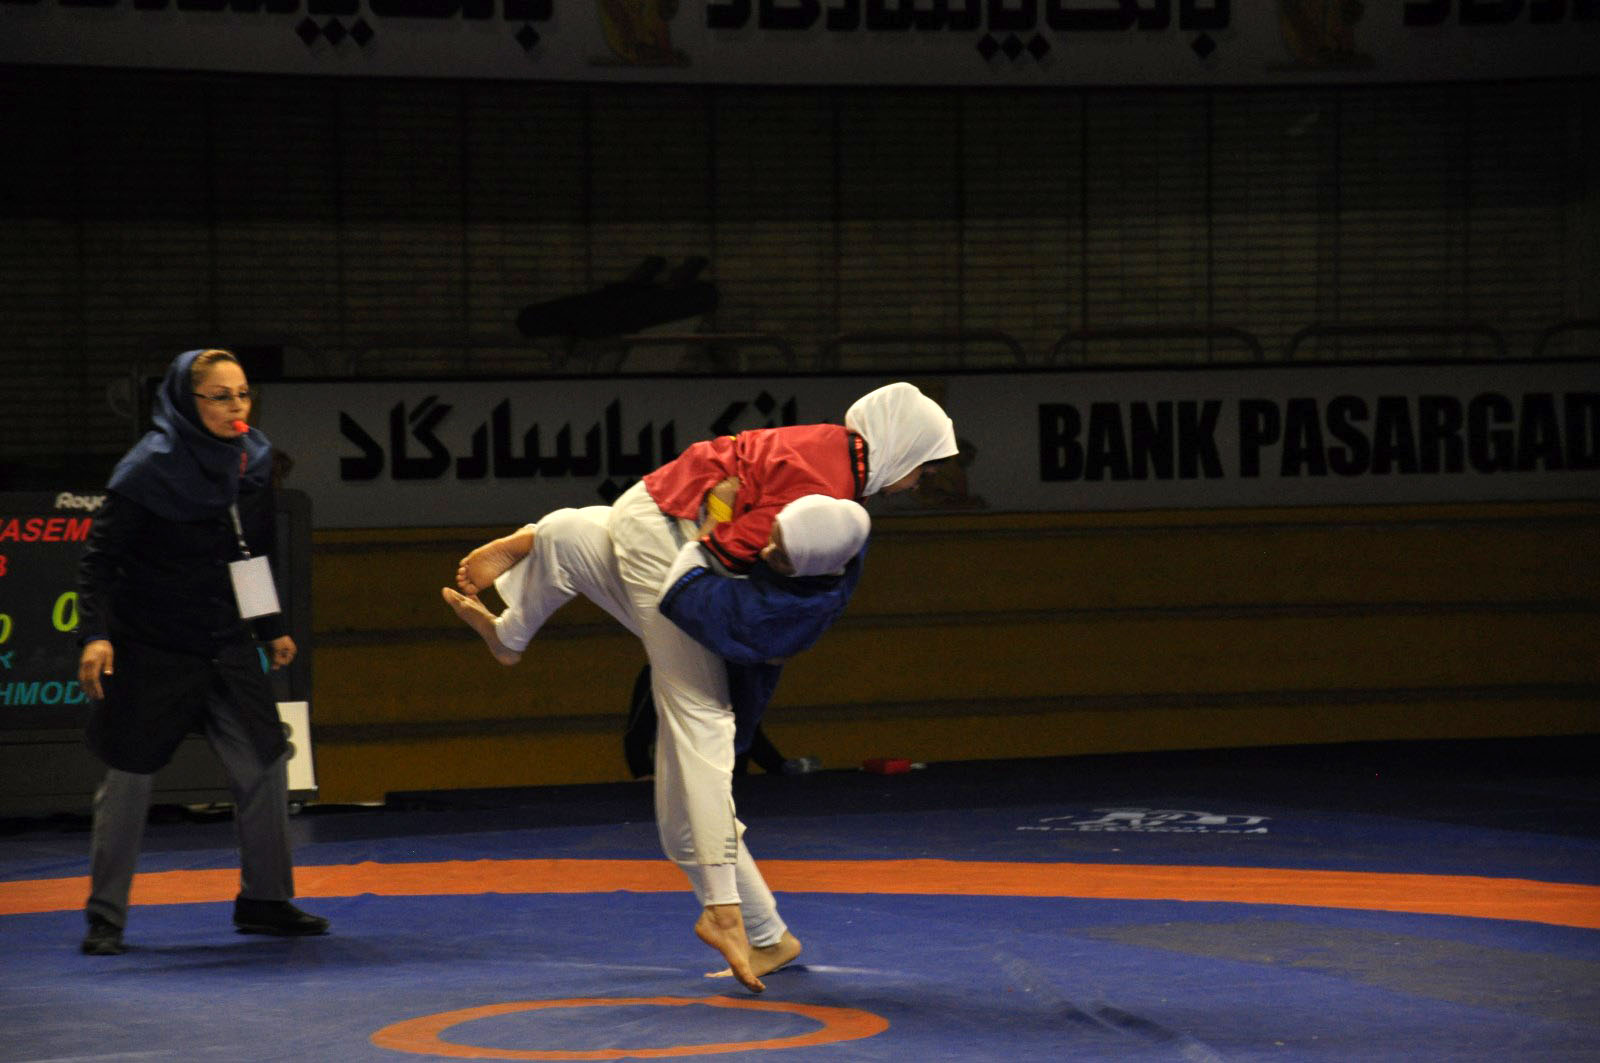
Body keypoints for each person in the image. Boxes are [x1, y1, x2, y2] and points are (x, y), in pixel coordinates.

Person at [443, 381, 956, 991]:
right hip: (672, 540)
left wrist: (722, 526)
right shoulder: (825, 494)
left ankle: (531, 586)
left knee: (580, 540)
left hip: (652, 510)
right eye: (921, 468)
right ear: (900, 447)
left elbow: (730, 532)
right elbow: (717, 555)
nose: (916, 482)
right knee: (700, 722)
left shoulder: (825, 451)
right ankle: (725, 910)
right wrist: (730, 534)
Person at [75, 348, 329, 956]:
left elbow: (250, 554)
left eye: (243, 394)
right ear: (186, 403)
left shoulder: (252, 460)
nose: (237, 407)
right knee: (129, 777)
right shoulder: (146, 470)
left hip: (225, 644)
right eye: (220, 396)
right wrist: (95, 635)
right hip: (153, 646)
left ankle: (265, 901)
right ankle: (106, 917)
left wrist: (269, 626)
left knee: (265, 762)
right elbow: (100, 562)